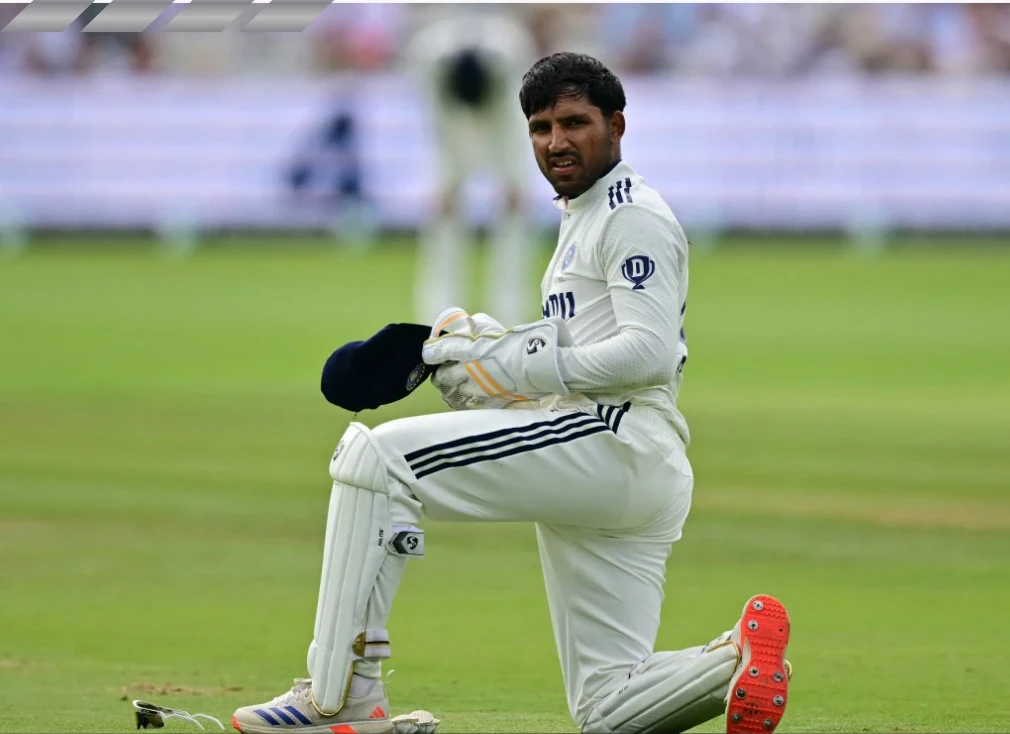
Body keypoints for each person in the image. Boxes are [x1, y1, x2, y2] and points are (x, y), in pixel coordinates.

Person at [231, 53, 792, 734]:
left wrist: (513, 365)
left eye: (575, 123)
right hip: (625, 463)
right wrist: (489, 362)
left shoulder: (631, 216)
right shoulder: (584, 213)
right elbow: (579, 349)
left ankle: (340, 695)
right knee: (607, 708)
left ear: (616, 125)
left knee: (376, 460)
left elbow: (647, 354)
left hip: (615, 440)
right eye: (541, 127)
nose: (556, 141)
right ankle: (736, 660)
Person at [405, 9, 536, 329]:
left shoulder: (510, 54)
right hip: (452, 121)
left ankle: (510, 312)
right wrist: (447, 178)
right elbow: (436, 117)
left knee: (514, 213)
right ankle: (439, 311)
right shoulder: (428, 57)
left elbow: (516, 120)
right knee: (443, 214)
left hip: (503, 121)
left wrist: (513, 179)